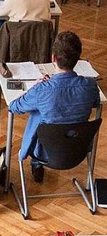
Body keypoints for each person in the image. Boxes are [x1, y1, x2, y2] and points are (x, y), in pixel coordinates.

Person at [9, 31, 100, 183]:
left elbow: (14, 107)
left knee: (39, 114)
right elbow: (96, 103)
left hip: (45, 152)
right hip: (77, 150)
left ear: (53, 59)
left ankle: (36, 164)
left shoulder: (43, 89)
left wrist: (35, 88)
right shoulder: (90, 85)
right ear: (78, 59)